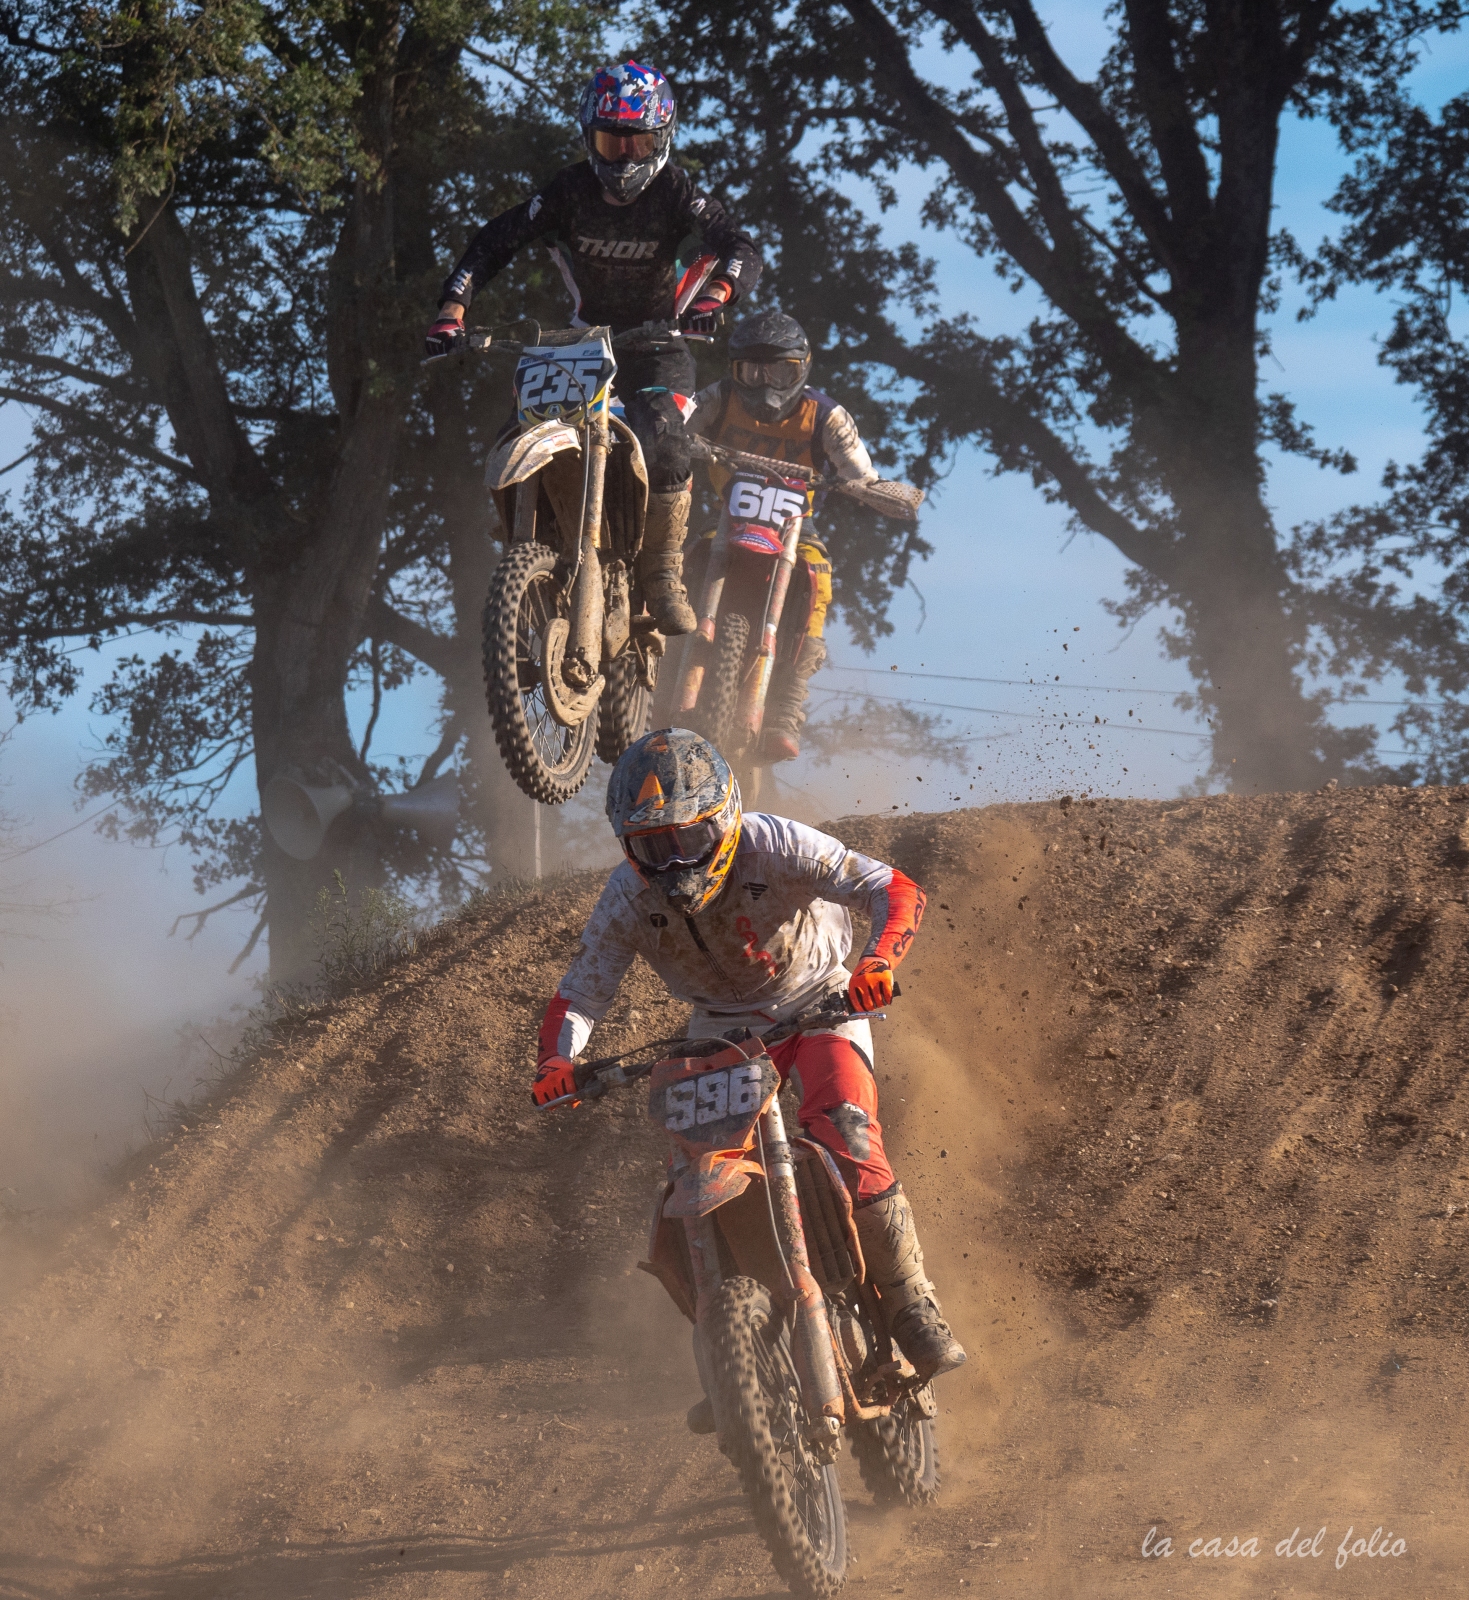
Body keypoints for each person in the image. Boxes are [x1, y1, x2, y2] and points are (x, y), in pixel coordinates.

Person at [531, 727, 967, 1386]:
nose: (674, 864)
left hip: (819, 1003)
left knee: (847, 1130)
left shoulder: (777, 845)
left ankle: (911, 1302)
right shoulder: (626, 897)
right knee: (696, 1175)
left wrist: (876, 963)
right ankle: (735, 1353)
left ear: (726, 817)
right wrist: (557, 1063)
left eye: (689, 839)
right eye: (653, 847)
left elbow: (890, 886)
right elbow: (583, 990)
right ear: (627, 845)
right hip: (720, 1029)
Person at [424, 61, 761, 637]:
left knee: (667, 441)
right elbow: (496, 239)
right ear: (589, 139)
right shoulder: (570, 189)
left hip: (657, 343)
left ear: (663, 137)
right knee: (513, 432)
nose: (625, 159)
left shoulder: (676, 191)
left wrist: (716, 296)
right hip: (582, 340)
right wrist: (453, 308)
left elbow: (739, 246)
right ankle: (528, 547)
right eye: (612, 142)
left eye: (638, 143)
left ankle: (662, 571)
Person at [689, 311, 878, 759]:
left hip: (796, 526)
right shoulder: (716, 398)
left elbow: (861, 472)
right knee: (683, 560)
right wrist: (667, 438)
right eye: (752, 372)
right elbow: (675, 428)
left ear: (802, 368)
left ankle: (786, 709)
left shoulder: (826, 416)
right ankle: (656, 660)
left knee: (818, 580)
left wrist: (873, 490)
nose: (765, 385)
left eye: (781, 371)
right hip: (727, 516)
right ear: (735, 370)